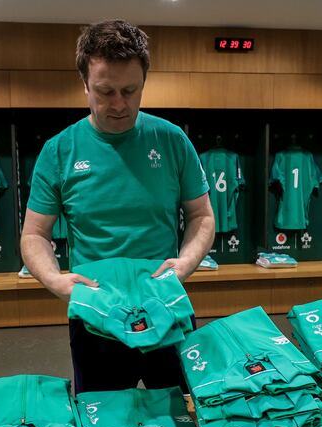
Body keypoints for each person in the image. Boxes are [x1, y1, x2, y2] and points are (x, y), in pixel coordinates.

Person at [21, 19, 215, 393]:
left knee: (184, 419)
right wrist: (56, 281)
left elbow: (201, 216)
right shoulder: (59, 151)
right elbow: (34, 233)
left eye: (130, 90)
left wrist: (186, 263)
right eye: (105, 91)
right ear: (84, 85)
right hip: (96, 314)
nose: (119, 104)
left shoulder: (172, 140)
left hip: (164, 305)